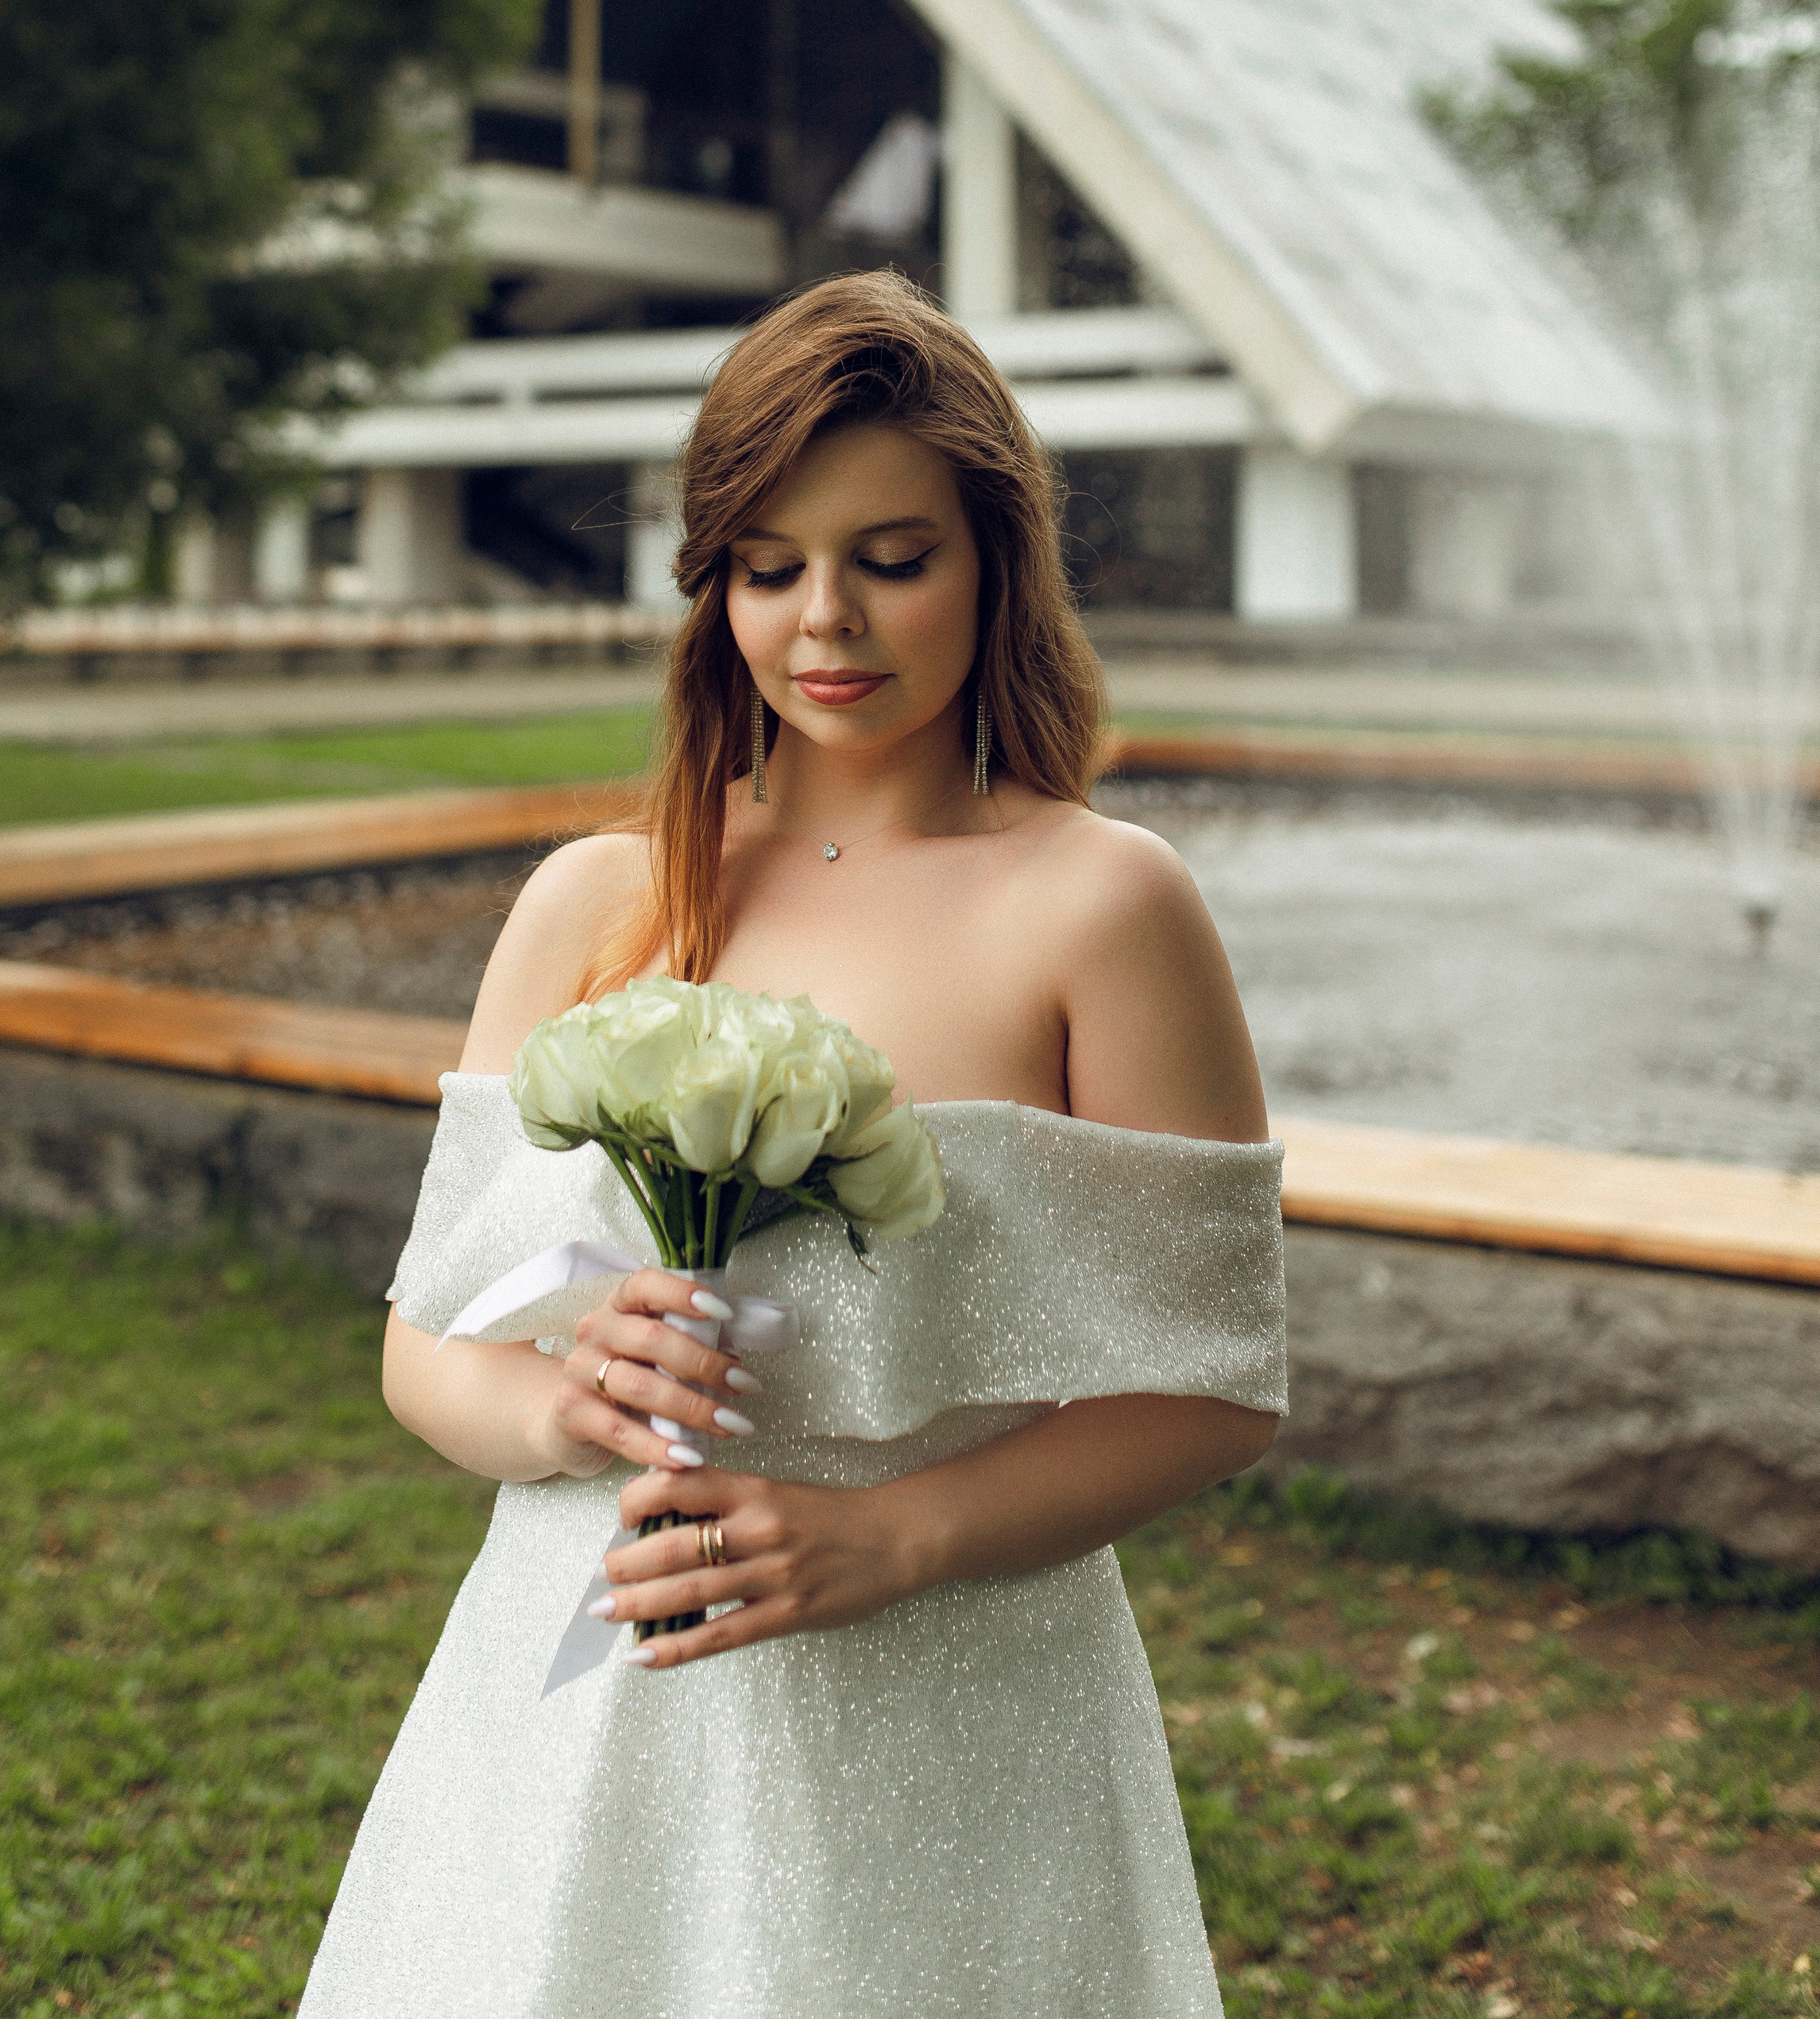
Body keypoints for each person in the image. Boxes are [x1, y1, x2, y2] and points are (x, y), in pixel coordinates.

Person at [299, 271, 1285, 2019]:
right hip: (594, 1695)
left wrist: (892, 1539)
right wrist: (555, 1402)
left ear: (994, 562)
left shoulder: (1099, 902)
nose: (824, 620)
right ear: (713, 586)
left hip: (954, 1698)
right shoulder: (599, 903)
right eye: (768, 566)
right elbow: (422, 1341)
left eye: (890, 559)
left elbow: (1205, 1389)